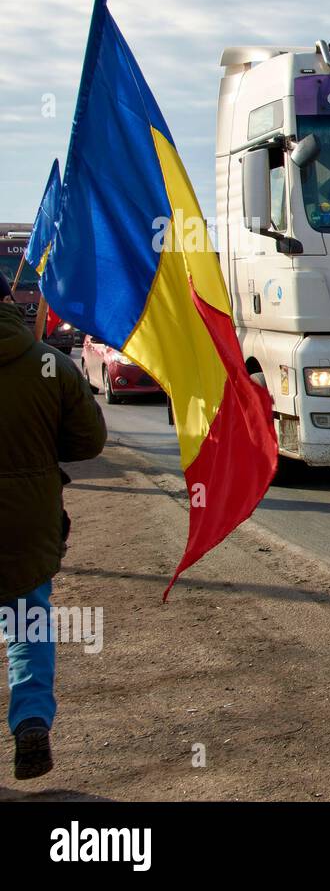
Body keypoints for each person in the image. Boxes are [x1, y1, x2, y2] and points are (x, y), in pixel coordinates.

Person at [0, 273, 106, 779]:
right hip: (28, 521)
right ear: (7, 299)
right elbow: (88, 443)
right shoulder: (49, 362)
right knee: (26, 624)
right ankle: (32, 719)